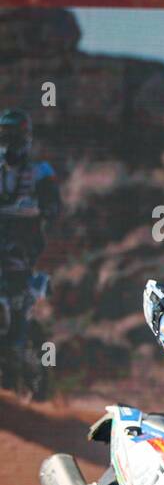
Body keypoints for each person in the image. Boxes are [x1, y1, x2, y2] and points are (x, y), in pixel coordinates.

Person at [0, 108, 59, 390]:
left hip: (22, 248)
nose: (8, 141)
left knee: (18, 298)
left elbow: (53, 205)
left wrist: (40, 209)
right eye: (4, 134)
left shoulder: (40, 171)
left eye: (13, 135)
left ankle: (19, 347)